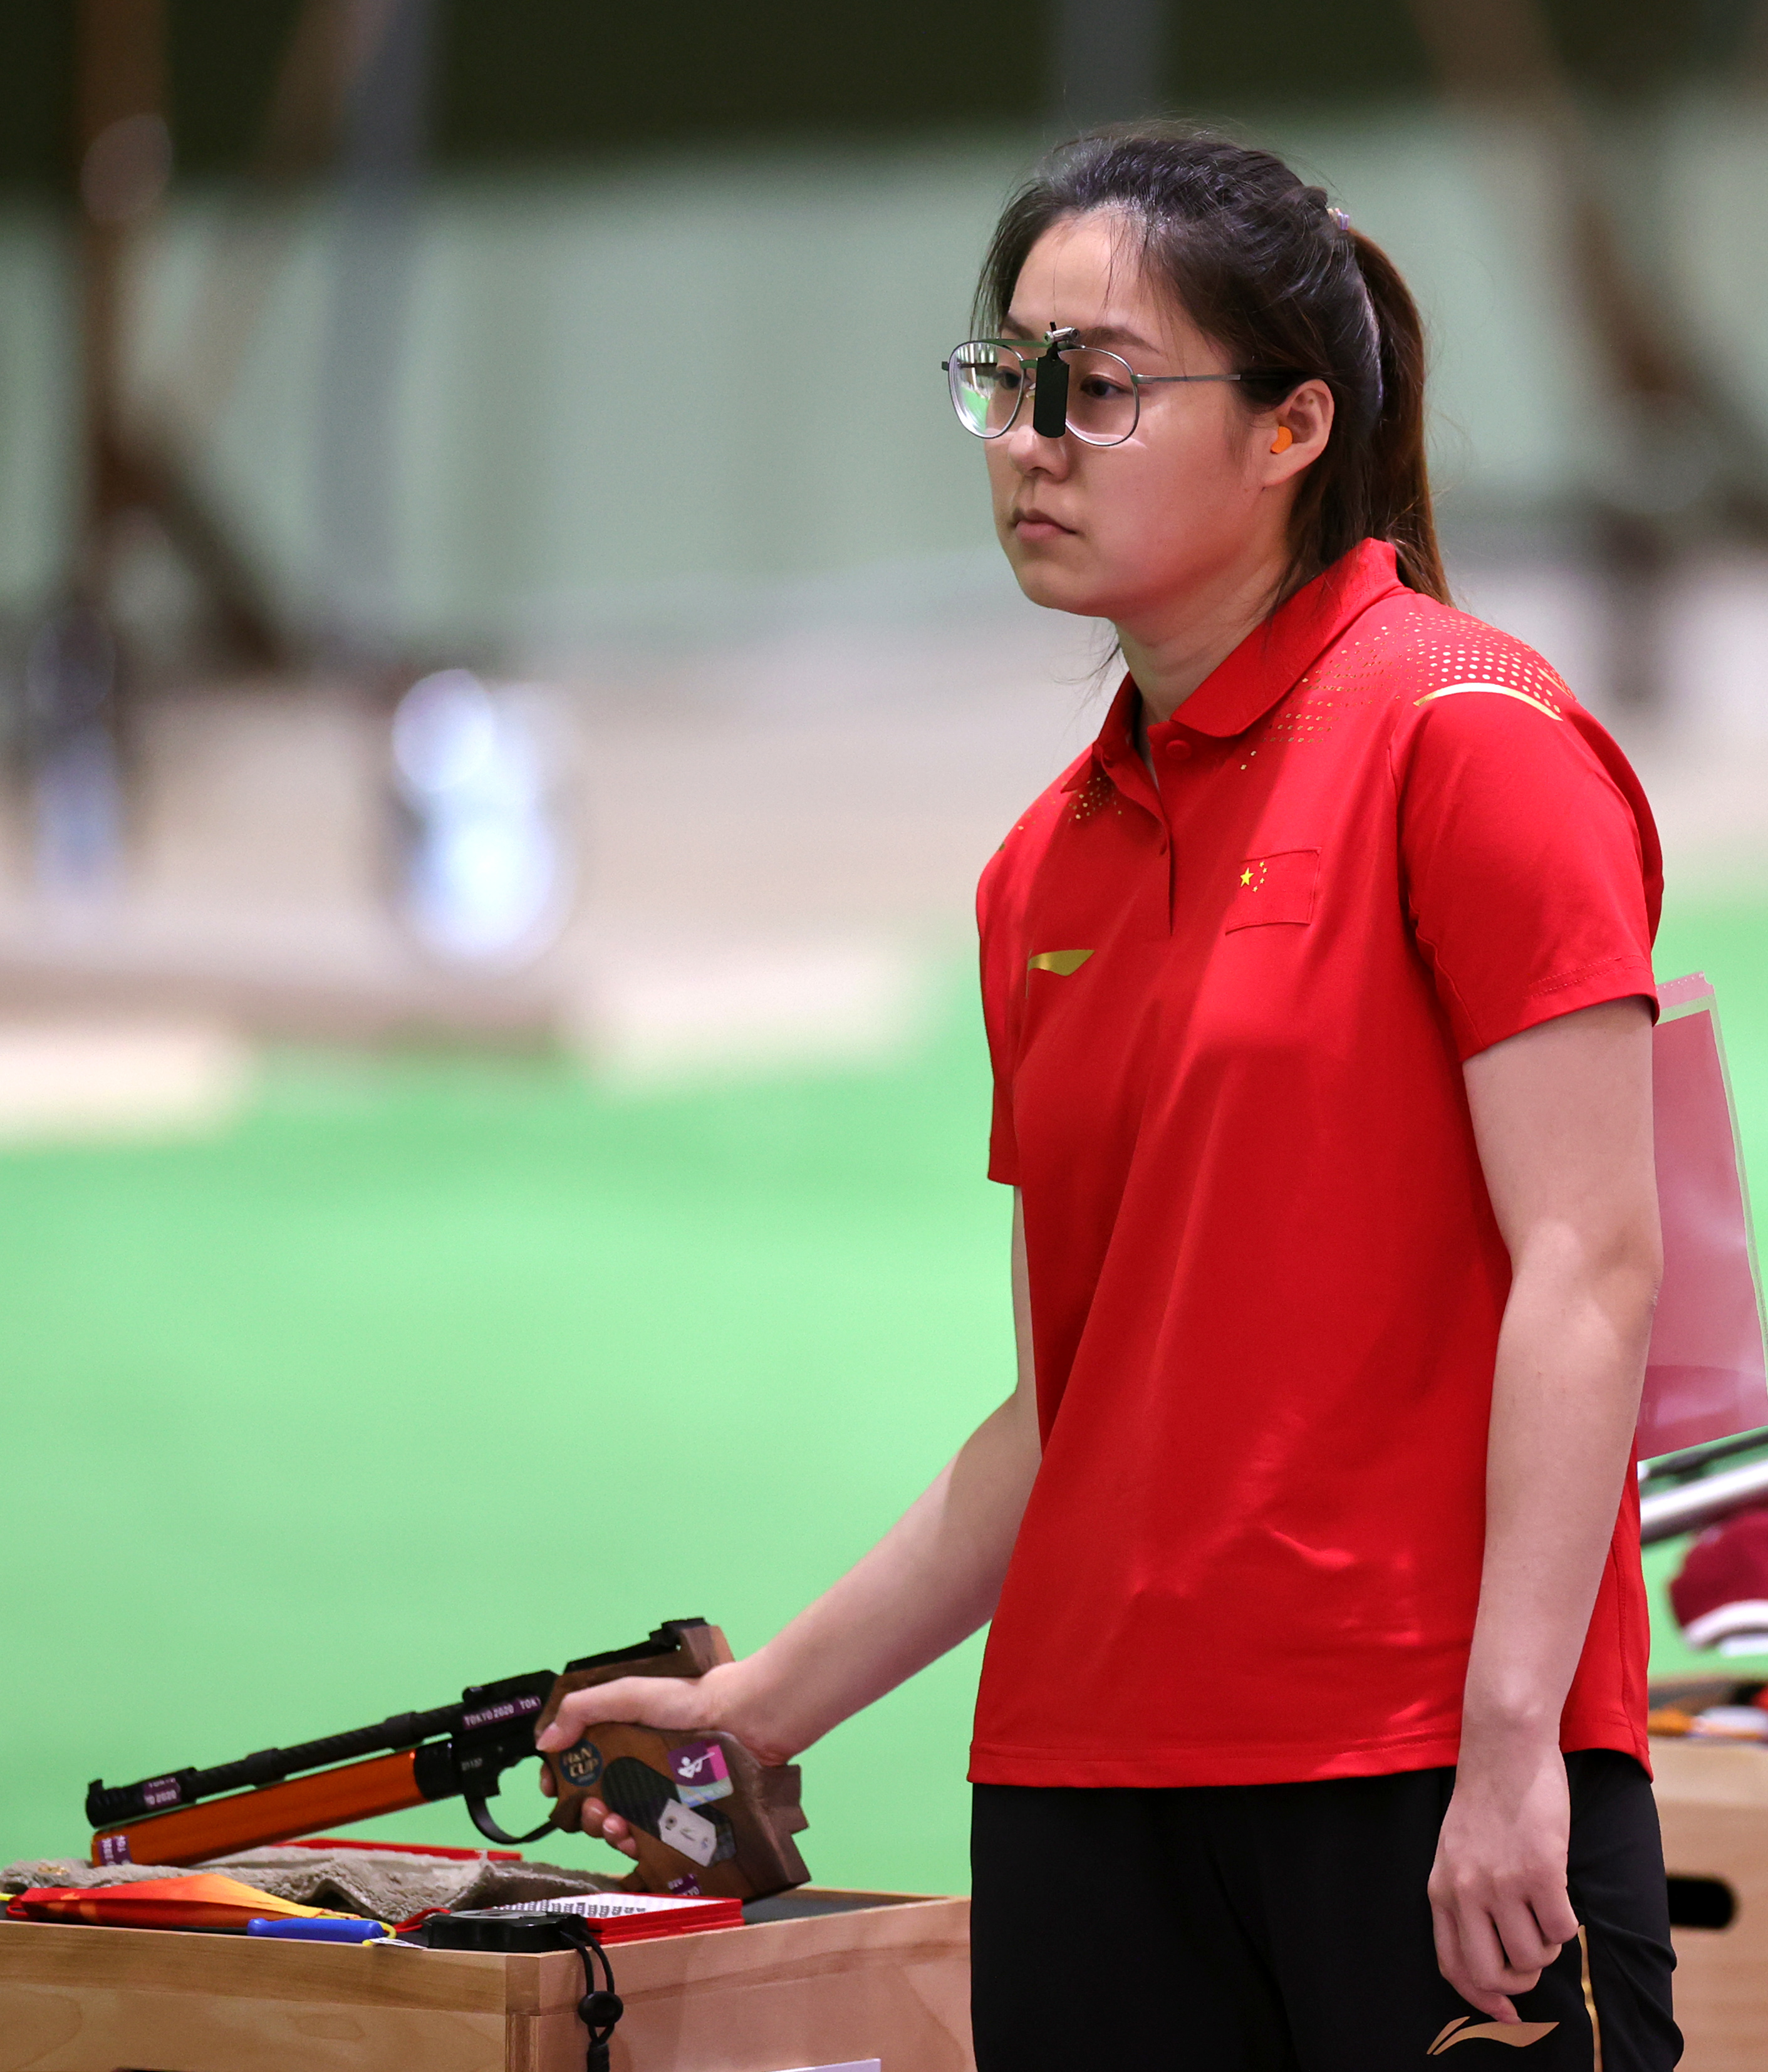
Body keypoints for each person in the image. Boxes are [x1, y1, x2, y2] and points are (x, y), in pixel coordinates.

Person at [536, 129, 1680, 2071]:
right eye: (1008, 381)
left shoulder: (1471, 740)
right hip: (1084, 1792)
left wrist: (1512, 1749)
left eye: (1102, 387)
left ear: (1293, 425)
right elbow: (1077, 1399)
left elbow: (1593, 1265)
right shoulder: (1037, 872)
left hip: (1414, 1771)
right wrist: (772, 1702)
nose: (1030, 442)